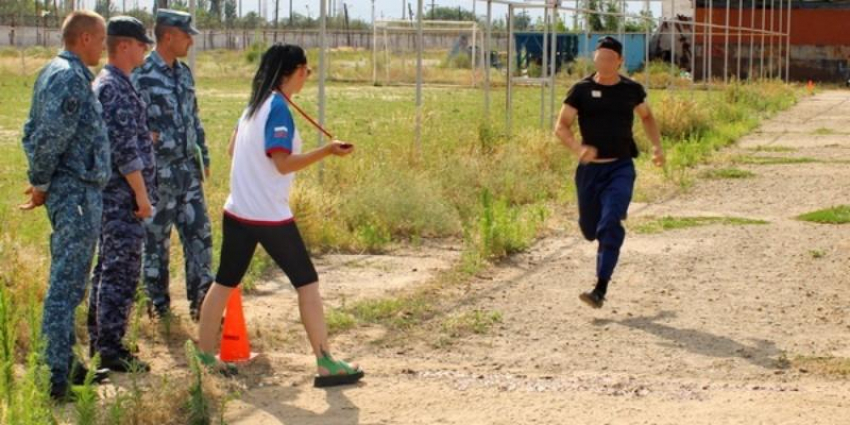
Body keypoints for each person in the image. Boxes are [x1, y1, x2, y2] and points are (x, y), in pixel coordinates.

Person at [196, 44, 364, 388]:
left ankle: (202, 356)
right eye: (307, 70)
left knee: (224, 282)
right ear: (297, 71)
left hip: (238, 210)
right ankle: (326, 362)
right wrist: (327, 151)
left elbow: (232, 149)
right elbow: (282, 162)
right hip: (268, 215)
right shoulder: (276, 108)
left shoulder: (253, 106)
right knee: (308, 283)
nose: (308, 77)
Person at [19, 10, 111, 400]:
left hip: (77, 191)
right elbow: (47, 139)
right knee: (64, 286)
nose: (104, 47)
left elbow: (30, 130)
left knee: (73, 284)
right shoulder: (68, 77)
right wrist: (42, 184)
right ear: (85, 38)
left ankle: (66, 360)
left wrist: (44, 183)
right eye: (102, 39)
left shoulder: (56, 73)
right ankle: (53, 374)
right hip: (73, 193)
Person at [554, 36, 666, 309]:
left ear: (619, 62)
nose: (604, 63)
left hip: (620, 167)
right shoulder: (580, 90)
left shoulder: (631, 90)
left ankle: (600, 288)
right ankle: (599, 235)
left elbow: (647, 117)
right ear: (595, 59)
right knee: (591, 228)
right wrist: (577, 148)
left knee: (610, 223)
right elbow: (561, 126)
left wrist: (657, 147)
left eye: (609, 58)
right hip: (590, 171)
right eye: (599, 57)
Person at [133, 9, 213, 321]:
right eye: (186, 34)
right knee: (155, 243)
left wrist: (203, 155)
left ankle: (203, 304)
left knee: (200, 237)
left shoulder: (183, 74)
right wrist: (145, 138)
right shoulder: (142, 73)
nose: (191, 40)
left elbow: (194, 117)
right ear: (168, 36)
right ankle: (157, 309)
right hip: (157, 173)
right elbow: (126, 121)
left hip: (187, 172)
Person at [88, 16, 157, 373]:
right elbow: (124, 150)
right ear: (125, 45)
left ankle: (102, 342)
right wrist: (142, 197)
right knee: (120, 271)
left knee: (108, 269)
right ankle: (109, 348)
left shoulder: (115, 83)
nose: (146, 48)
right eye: (141, 42)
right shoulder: (113, 86)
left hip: (117, 197)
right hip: (122, 199)